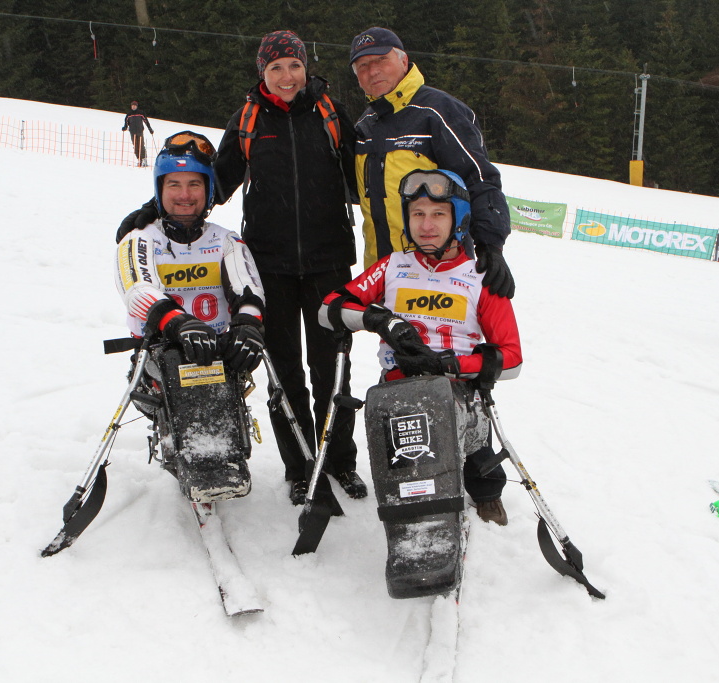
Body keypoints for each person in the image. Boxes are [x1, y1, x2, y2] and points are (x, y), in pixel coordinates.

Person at [116, 30, 366, 506]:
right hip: (269, 265)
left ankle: (339, 460)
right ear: (262, 73)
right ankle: (300, 466)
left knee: (333, 368)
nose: (287, 77)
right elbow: (215, 182)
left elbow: (363, 177)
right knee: (284, 373)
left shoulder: (330, 113)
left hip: (329, 262)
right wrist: (153, 209)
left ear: (306, 67)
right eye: (276, 68)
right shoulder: (248, 119)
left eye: (294, 66)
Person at [320, 169, 523, 524]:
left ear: (459, 220)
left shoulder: (480, 276)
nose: (426, 225)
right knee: (409, 451)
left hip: (457, 388)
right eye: (418, 214)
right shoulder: (393, 266)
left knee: (473, 445)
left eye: (438, 214)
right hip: (398, 386)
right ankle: (409, 498)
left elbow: (512, 359)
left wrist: (452, 365)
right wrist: (378, 320)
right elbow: (329, 309)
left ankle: (487, 493)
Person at [348, 27, 516, 299]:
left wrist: (491, 245)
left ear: (404, 61)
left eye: (381, 60)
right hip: (383, 275)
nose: (373, 71)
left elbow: (479, 179)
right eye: (362, 66)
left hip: (439, 273)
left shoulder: (439, 111)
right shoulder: (365, 125)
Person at [114, 131, 266, 373]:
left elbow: (247, 287)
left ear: (208, 190)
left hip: (218, 358)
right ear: (160, 190)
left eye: (194, 185)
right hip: (158, 359)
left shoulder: (226, 240)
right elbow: (138, 290)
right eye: (174, 185)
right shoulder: (139, 238)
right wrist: (177, 322)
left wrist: (248, 323)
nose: (184, 195)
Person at [122, 101, 154, 167]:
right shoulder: (129, 114)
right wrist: (125, 127)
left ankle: (144, 160)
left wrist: (150, 128)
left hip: (140, 131)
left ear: (137, 106)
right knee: (135, 147)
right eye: (132, 106)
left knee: (141, 146)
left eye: (135, 105)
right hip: (132, 132)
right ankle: (139, 160)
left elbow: (146, 121)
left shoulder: (140, 113)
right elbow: (126, 123)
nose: (133, 107)